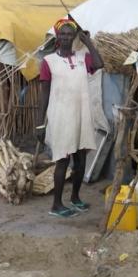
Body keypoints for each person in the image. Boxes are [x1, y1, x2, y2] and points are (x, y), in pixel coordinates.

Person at [37, 18, 103, 218]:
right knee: (63, 160)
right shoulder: (49, 62)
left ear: (74, 37)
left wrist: (88, 42)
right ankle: (56, 205)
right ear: (58, 37)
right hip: (61, 117)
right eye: (62, 34)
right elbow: (44, 95)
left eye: (69, 34)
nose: (66, 38)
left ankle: (75, 198)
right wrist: (40, 124)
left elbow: (100, 64)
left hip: (82, 116)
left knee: (81, 160)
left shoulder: (84, 57)